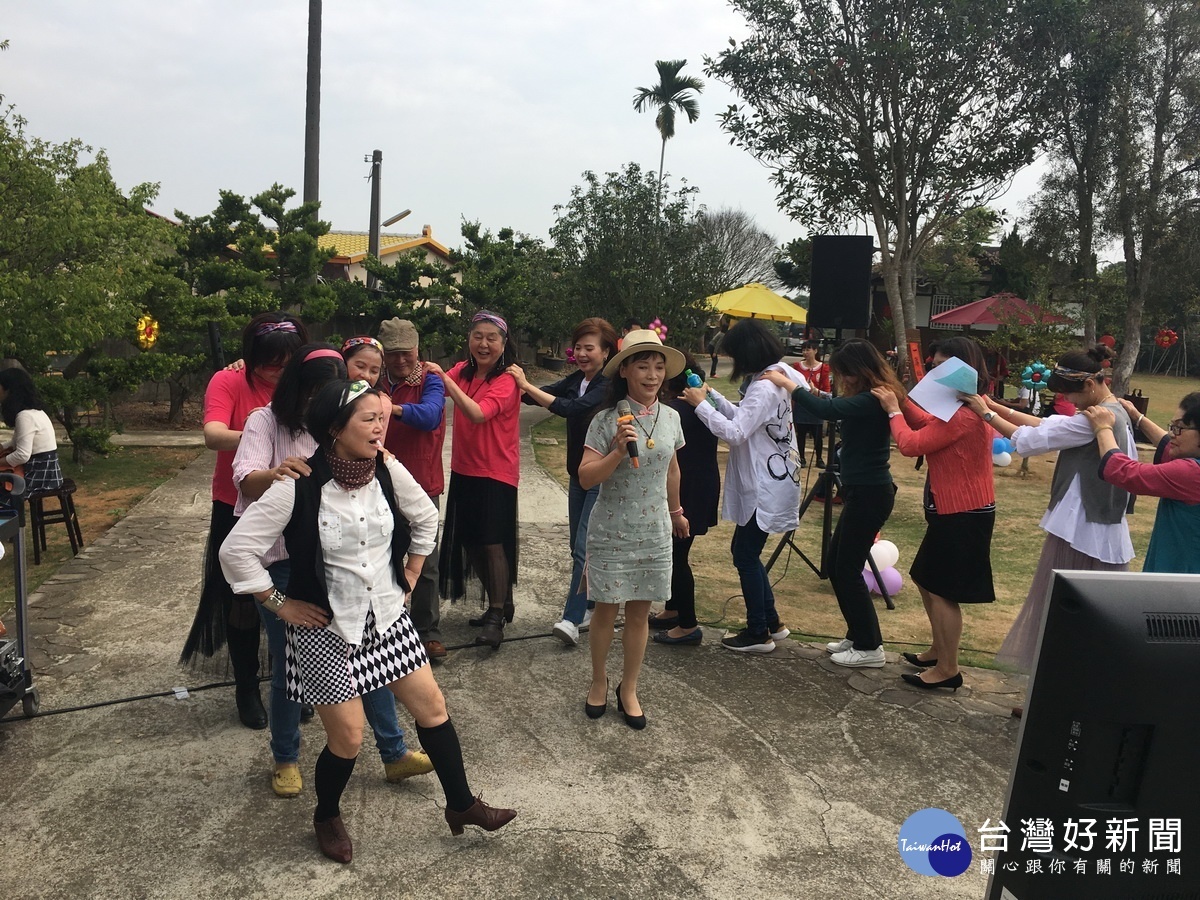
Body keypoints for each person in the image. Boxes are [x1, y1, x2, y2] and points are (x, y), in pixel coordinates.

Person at [220, 380, 516, 862]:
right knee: (349, 737)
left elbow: (425, 519)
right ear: (336, 428)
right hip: (324, 632)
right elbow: (235, 553)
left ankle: (462, 806)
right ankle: (326, 815)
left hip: (386, 618)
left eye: (382, 417)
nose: (381, 427)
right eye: (368, 419)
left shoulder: (387, 469)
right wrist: (280, 603)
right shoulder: (296, 486)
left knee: (433, 709)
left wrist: (413, 570)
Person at [231, 344, 433, 798]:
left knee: (371, 657)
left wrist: (408, 568)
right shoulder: (266, 421)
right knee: (291, 668)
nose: (327, 398)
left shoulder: (349, 426)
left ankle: (394, 752)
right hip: (282, 562)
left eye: (334, 388)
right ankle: (285, 756)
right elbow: (243, 479)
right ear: (296, 388)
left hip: (336, 560)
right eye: (317, 390)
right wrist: (279, 475)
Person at [962, 344, 1134, 674]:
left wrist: (986, 414)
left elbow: (1031, 440)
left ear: (1090, 385)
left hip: (1082, 526)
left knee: (1063, 613)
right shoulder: (1112, 409)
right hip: (1096, 522)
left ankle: (1056, 691)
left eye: (1072, 395)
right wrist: (996, 406)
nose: (1070, 403)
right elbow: (1048, 426)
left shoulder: (1095, 419)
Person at [183, 312, 307, 730]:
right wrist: (263, 432)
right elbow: (213, 434)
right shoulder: (230, 380)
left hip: (295, 507)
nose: (278, 367)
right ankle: (246, 685)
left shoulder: (306, 379)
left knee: (292, 597)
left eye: (286, 358)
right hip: (238, 504)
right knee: (242, 599)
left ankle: (291, 683)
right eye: (268, 359)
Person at [762, 338, 903, 668]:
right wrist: (813, 390)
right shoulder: (865, 396)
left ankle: (870, 647)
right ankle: (858, 634)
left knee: (846, 569)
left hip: (870, 493)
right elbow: (834, 403)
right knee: (840, 565)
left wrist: (787, 383)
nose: (843, 380)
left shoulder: (874, 397)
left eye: (846, 374)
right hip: (860, 491)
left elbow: (828, 411)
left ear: (860, 370)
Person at [870, 337, 995, 691]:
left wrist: (895, 410)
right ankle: (940, 651)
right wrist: (901, 400)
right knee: (926, 578)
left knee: (942, 588)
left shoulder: (966, 415)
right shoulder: (966, 406)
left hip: (964, 512)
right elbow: (928, 420)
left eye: (941, 367)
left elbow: (911, 444)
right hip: (953, 508)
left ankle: (948, 668)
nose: (934, 373)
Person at [578, 330, 689, 728]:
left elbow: (672, 468)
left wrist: (676, 512)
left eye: (659, 367)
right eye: (643, 365)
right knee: (606, 612)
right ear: (624, 369)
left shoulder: (673, 417)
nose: (652, 374)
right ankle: (597, 681)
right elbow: (586, 478)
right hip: (611, 530)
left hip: (654, 529)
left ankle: (629, 687)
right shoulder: (605, 420)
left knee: (640, 614)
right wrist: (616, 452)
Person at [683, 320, 802, 654]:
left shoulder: (764, 386)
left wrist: (700, 405)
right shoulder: (777, 375)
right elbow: (745, 417)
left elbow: (735, 432)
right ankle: (772, 622)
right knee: (748, 553)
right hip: (773, 478)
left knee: (745, 554)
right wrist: (713, 396)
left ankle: (758, 631)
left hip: (764, 483)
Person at [508, 317, 617, 646]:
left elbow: (572, 408)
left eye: (590, 348)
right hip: (576, 473)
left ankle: (572, 618)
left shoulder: (606, 384)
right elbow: (538, 396)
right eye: (578, 348)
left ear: (607, 351)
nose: (582, 354)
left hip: (600, 474)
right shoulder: (578, 379)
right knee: (576, 547)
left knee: (584, 548)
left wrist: (527, 386)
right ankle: (592, 603)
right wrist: (513, 381)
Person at [424, 311, 520, 649]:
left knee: (492, 541)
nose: (483, 343)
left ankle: (496, 615)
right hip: (464, 468)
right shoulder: (462, 372)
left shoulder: (507, 380)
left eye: (492, 337)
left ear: (504, 344)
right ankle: (502, 600)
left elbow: (478, 414)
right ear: (469, 339)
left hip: (496, 472)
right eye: (477, 336)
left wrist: (444, 380)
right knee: (470, 539)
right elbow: (429, 379)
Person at [376, 319, 448, 660]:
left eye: (407, 354)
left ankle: (427, 630)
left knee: (426, 562)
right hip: (376, 481)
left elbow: (432, 415)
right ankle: (386, 626)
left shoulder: (431, 379)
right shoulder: (373, 379)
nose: (401, 361)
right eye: (393, 355)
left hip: (422, 481)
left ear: (418, 350)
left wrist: (392, 408)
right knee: (383, 556)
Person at [1082, 392, 1200, 573]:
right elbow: (1168, 446)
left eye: (1179, 428)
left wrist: (1103, 428)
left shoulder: (1191, 474)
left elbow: (1125, 472)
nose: (1172, 433)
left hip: (1181, 584)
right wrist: (1138, 418)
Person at [652, 354, 721, 645]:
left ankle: (688, 625)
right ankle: (673, 608)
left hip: (685, 489)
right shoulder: (703, 407)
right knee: (676, 551)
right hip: (702, 485)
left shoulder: (674, 411)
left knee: (677, 555)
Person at [0, 368, 64, 505]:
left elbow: (22, 455)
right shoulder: (35, 412)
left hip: (39, 476)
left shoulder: (25, 416)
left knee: (3, 487)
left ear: (9, 390)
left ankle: (11, 525)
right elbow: (15, 442)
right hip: (49, 473)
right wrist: (2, 447)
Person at [790, 340, 831, 468]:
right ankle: (801, 457)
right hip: (801, 404)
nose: (805, 352)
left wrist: (815, 391)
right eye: (804, 350)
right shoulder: (797, 366)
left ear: (815, 351)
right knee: (800, 433)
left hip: (816, 403)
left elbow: (827, 389)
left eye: (808, 349)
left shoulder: (823, 368)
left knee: (817, 433)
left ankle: (819, 458)